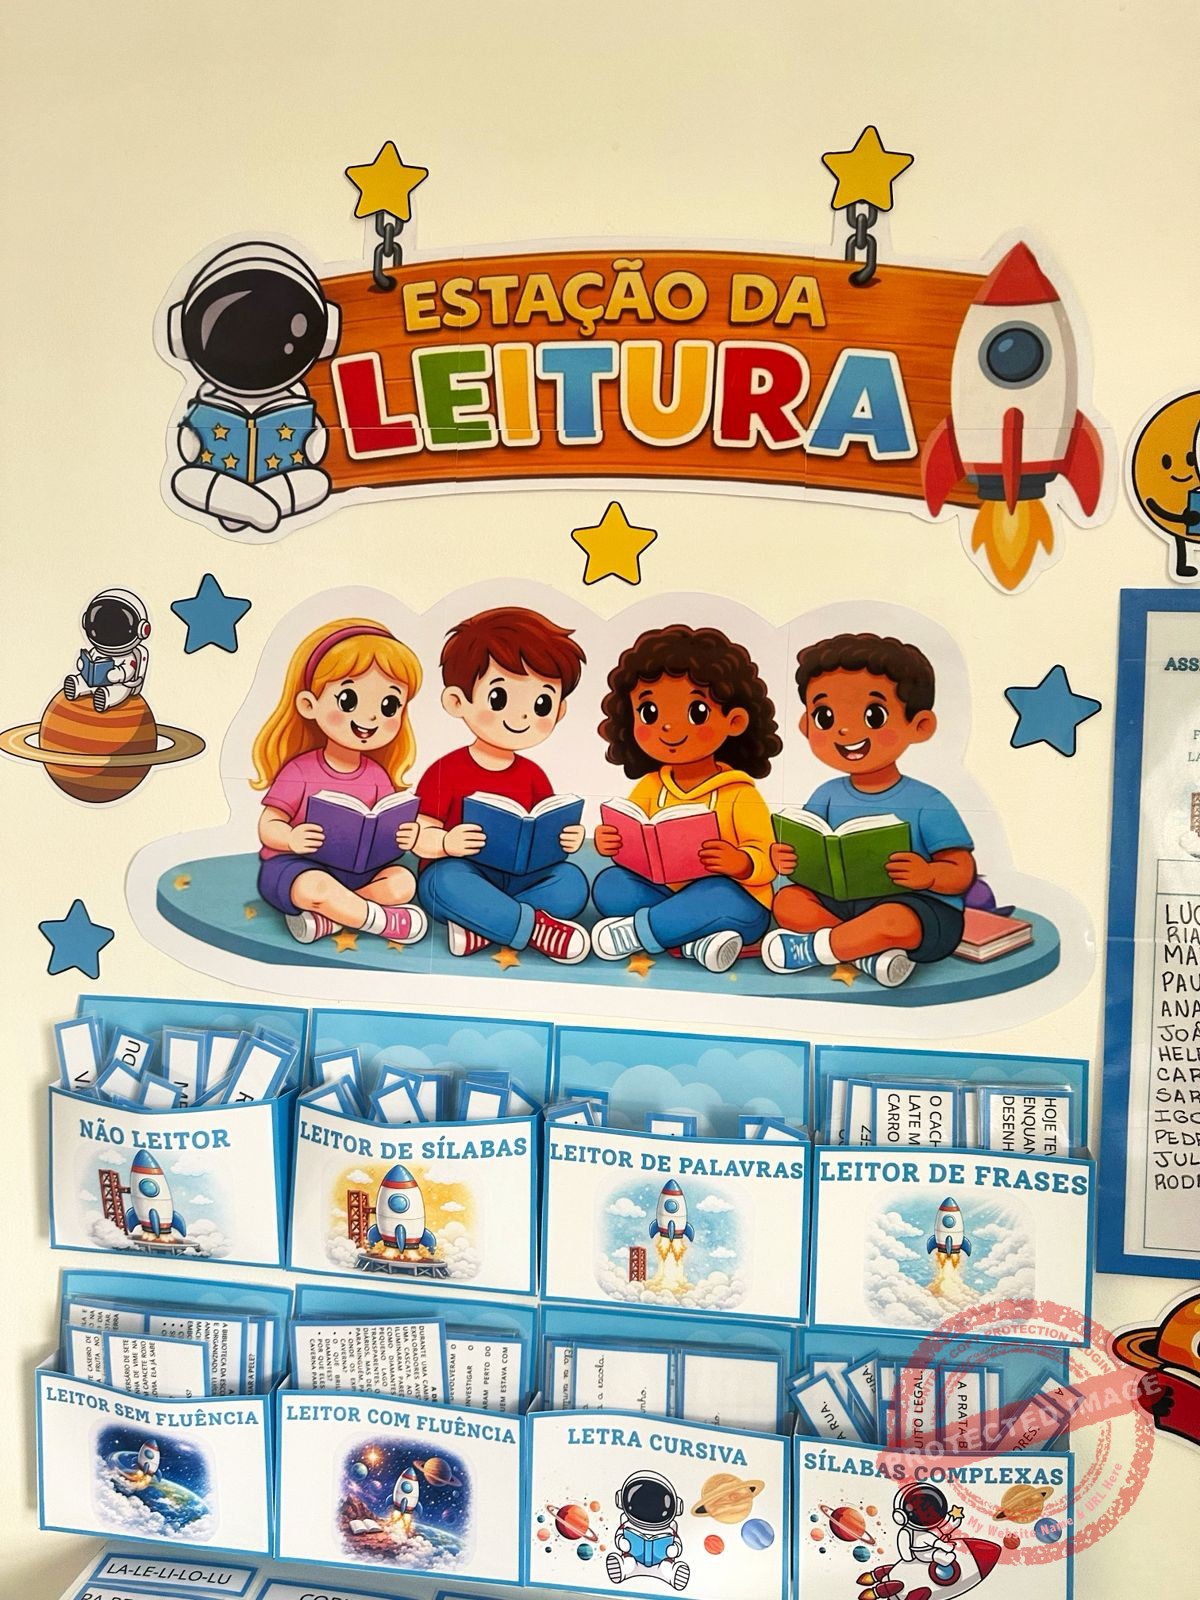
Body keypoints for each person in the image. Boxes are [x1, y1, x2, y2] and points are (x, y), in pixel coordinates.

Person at [762, 633, 975, 988]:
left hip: (918, 906)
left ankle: (816, 949)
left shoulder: (928, 801)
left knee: (893, 921)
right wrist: (785, 859)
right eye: (825, 716)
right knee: (787, 901)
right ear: (806, 725)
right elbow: (807, 851)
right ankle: (865, 954)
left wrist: (928, 874)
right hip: (842, 904)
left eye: (874, 715)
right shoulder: (826, 794)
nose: (846, 730)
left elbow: (961, 870)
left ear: (920, 725)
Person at [591, 624, 780, 974]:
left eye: (696, 712)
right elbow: (634, 841)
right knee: (610, 886)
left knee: (720, 896)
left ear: (735, 721)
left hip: (733, 898)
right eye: (650, 713)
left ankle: (639, 933)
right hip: (665, 894)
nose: (668, 727)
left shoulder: (739, 793)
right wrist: (612, 843)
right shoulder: (651, 785)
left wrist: (740, 862)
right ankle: (693, 944)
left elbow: (767, 858)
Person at [414, 606, 590, 963]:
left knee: (571, 883)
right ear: (457, 701)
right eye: (499, 698)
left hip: (520, 877)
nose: (521, 715)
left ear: (559, 711)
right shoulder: (446, 770)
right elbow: (419, 835)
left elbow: (543, 831)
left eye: (542, 703)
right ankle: (534, 929)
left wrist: (565, 839)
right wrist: (446, 843)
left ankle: (482, 924)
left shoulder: (533, 774)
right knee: (442, 883)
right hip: (461, 870)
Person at [251, 617, 427, 947]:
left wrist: (406, 835)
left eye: (389, 705)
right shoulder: (300, 770)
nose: (371, 717)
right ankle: (380, 921)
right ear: (309, 705)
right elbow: (268, 824)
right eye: (348, 700)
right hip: (297, 865)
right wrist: (290, 838)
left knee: (402, 882)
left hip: (357, 872)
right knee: (313, 887)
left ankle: (330, 917)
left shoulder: (377, 775)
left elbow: (383, 825)